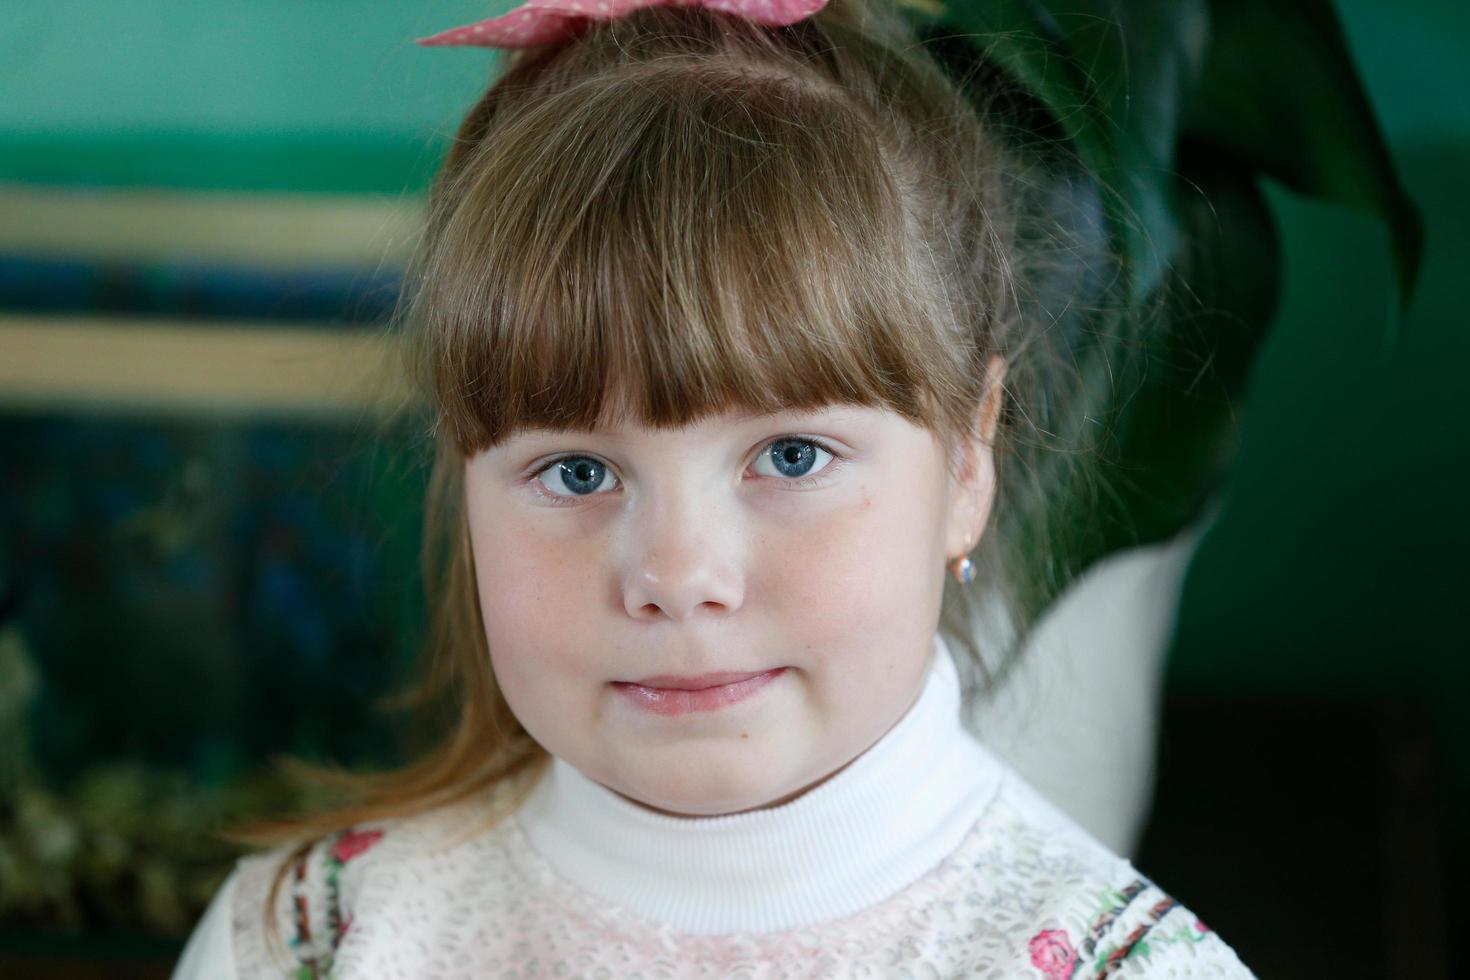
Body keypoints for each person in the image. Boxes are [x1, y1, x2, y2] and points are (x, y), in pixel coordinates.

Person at [173, 0, 1257, 974]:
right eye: (578, 470)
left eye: (791, 455)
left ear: (968, 460)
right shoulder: (300, 942)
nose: (679, 575)